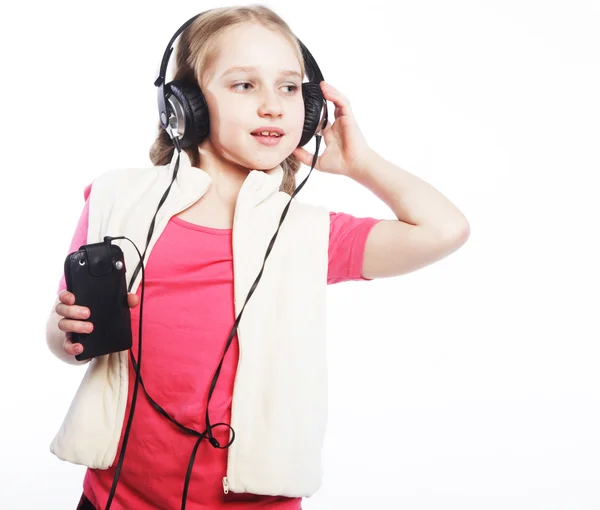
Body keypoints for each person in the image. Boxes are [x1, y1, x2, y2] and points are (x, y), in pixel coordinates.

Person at [46, 5, 470, 510]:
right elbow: (63, 337)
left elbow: (445, 230)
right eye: (244, 85)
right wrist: (65, 331)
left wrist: (361, 164)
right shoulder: (118, 199)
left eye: (289, 88)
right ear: (183, 105)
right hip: (115, 498)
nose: (273, 106)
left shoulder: (309, 234)